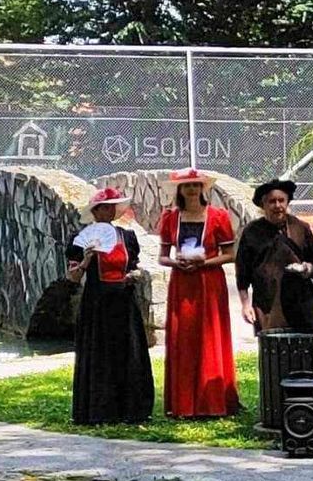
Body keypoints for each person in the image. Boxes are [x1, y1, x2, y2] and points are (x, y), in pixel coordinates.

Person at [66, 187, 154, 425]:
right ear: (95, 212)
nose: (108, 211)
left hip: (124, 302)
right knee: (99, 354)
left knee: (128, 352)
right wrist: (86, 260)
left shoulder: (126, 237)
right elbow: (73, 277)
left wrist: (133, 276)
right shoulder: (80, 239)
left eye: (111, 207)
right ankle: (100, 410)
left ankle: (131, 409)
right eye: (103, 208)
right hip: (96, 304)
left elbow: (134, 268)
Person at [158, 168, 239, 418]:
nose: (192, 189)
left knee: (210, 335)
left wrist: (204, 263)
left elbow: (230, 254)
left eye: (196, 185)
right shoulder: (171, 218)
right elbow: (162, 257)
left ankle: (212, 400)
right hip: (182, 282)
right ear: (180, 190)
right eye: (187, 186)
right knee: (183, 337)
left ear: (202, 189)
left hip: (209, 282)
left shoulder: (218, 216)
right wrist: (177, 263)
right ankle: (184, 403)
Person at [235, 179, 313, 332]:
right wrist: (245, 305)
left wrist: (308, 268)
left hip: (302, 300)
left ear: (287, 202)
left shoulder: (300, 227)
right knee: (273, 343)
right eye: (272, 201)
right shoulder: (252, 232)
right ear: (263, 205)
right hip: (268, 302)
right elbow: (242, 272)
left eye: (281, 200)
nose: (277, 206)